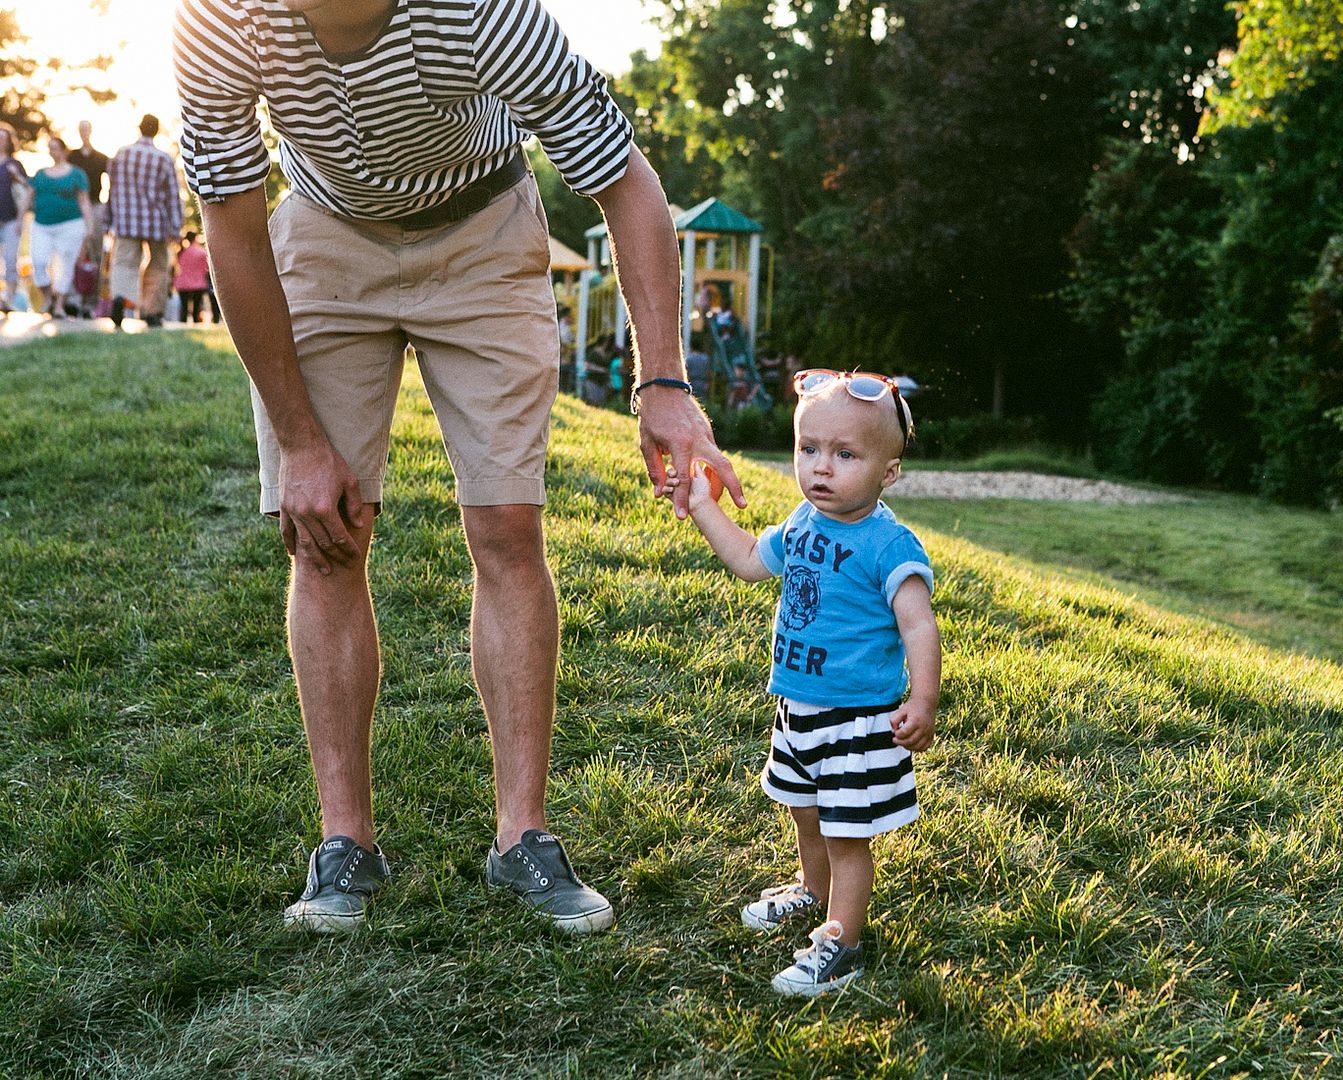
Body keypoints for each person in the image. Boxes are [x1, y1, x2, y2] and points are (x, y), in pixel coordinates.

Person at [174, 0, 743, 934]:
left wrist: (664, 383)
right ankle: (344, 845)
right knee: (323, 536)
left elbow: (626, 183)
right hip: (323, 232)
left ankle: (524, 838)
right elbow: (232, 227)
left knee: (508, 526)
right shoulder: (218, 17)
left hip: (482, 230)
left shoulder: (482, 14)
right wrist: (302, 439)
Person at [682, 368, 940, 996]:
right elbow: (748, 560)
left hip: (856, 720)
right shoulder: (802, 523)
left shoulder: (888, 545)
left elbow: (920, 627)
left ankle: (841, 942)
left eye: (845, 455)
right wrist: (701, 507)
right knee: (805, 812)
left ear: (889, 471)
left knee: (847, 835)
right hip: (798, 709)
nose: (822, 468)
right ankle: (813, 891)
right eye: (809, 449)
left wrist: (923, 699)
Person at [107, 114, 183, 329]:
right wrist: (175, 226)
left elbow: (112, 190)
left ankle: (121, 297)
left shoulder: (121, 154)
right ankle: (152, 311)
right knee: (158, 265)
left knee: (123, 262)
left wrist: (108, 220)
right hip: (156, 222)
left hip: (125, 220)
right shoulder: (163, 158)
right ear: (156, 131)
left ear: (140, 129)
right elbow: (172, 195)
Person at [28, 136, 94, 320]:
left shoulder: (76, 174)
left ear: (64, 150)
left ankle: (58, 306)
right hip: (42, 224)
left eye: (56, 148)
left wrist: (89, 226)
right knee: (39, 262)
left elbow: (84, 201)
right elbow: (29, 196)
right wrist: (19, 219)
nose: (52, 151)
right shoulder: (40, 174)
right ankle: (48, 296)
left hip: (71, 224)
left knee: (66, 265)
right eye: (50, 148)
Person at [0, 123, 29, 314]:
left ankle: (8, 298)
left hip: (11, 219)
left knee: (11, 259)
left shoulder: (15, 164)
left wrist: (20, 220)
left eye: (3, 137)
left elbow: (27, 191)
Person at [68, 121, 110, 241]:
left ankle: (95, 260)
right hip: (76, 204)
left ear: (90, 131)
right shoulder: (72, 156)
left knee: (96, 239)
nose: (84, 132)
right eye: (81, 129)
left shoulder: (101, 158)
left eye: (86, 129)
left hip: (95, 203)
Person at [173, 231, 212, 323]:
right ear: (195, 239)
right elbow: (206, 268)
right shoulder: (201, 252)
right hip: (198, 283)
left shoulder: (180, 252)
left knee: (184, 307)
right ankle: (195, 321)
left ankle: (183, 323)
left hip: (182, 283)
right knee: (196, 307)